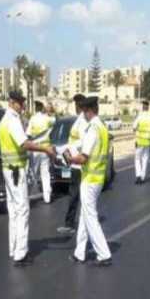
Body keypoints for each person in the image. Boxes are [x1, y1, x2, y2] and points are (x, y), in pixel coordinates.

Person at [0, 91, 56, 267]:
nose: (23, 106)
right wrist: (45, 150)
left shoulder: (4, 120)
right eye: (20, 103)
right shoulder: (13, 120)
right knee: (22, 210)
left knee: (14, 211)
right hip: (16, 171)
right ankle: (21, 254)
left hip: (8, 171)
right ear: (12, 103)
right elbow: (24, 143)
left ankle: (14, 248)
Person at [64, 96, 112, 267]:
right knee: (85, 216)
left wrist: (70, 159)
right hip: (97, 178)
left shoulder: (93, 129)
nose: (83, 114)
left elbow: (84, 158)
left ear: (89, 110)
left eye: (84, 110)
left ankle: (104, 254)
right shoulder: (102, 127)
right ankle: (80, 252)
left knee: (90, 217)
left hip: (90, 179)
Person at [57, 94, 88, 235]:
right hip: (74, 162)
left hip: (78, 164)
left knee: (75, 194)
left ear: (79, 106)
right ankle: (80, 222)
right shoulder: (79, 121)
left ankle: (70, 224)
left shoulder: (83, 123)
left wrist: (68, 153)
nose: (75, 107)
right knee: (76, 194)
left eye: (76, 104)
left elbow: (82, 143)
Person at [26, 101, 55, 203]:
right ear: (42, 108)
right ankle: (47, 197)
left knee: (34, 172)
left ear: (35, 108)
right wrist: (50, 110)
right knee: (45, 172)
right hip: (46, 149)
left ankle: (28, 195)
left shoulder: (32, 119)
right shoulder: (48, 119)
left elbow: (28, 134)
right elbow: (55, 119)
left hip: (36, 149)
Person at [133, 100, 150, 184]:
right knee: (145, 159)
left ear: (143, 107)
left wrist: (137, 130)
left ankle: (138, 176)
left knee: (137, 159)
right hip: (148, 141)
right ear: (148, 107)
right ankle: (142, 177)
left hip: (140, 141)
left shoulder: (140, 116)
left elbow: (134, 127)